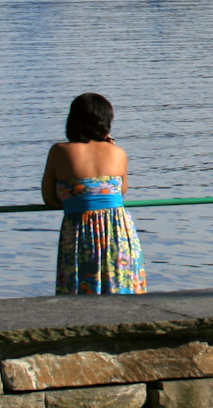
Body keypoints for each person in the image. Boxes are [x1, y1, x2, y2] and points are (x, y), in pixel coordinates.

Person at [42, 93, 147, 294]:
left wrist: (78, 200)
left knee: (80, 291)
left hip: (79, 231)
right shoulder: (118, 152)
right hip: (118, 231)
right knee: (121, 288)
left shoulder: (59, 151)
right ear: (106, 122)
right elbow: (121, 191)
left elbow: (49, 198)